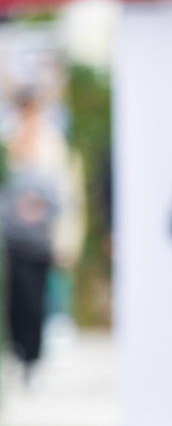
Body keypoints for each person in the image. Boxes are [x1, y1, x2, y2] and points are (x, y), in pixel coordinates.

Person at [1, 89, 70, 384]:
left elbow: (59, 199)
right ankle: (20, 351)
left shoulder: (51, 150)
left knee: (35, 299)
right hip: (13, 240)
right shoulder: (10, 149)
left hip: (38, 242)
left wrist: (39, 211)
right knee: (16, 301)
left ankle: (34, 355)